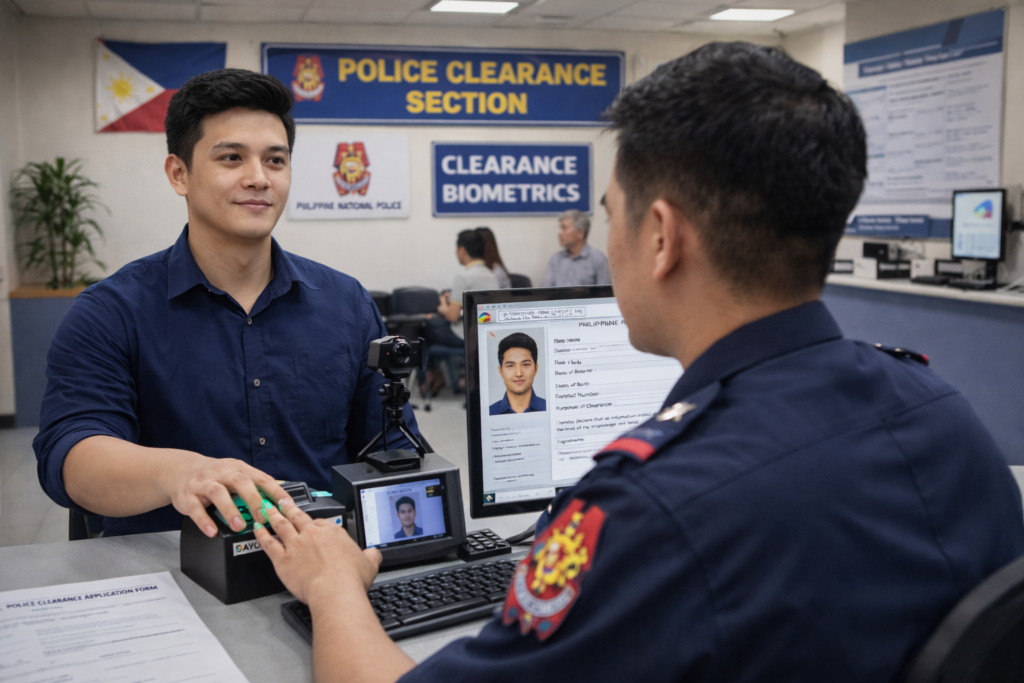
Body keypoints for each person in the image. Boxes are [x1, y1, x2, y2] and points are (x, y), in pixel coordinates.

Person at [253, 42, 1024, 683]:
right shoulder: (942, 412)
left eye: (609, 216)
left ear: (661, 236)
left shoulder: (648, 512)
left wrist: (333, 585)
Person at [32, 68, 421, 538]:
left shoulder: (347, 305)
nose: (258, 178)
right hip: (173, 566)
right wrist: (179, 473)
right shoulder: (111, 312)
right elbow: (71, 457)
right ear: (179, 174)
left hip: (320, 561)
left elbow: (391, 445)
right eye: (232, 158)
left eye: (275, 160)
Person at [424, 229, 500, 392]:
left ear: (462, 250)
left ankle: (432, 376)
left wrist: (442, 306)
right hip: (487, 334)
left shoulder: (464, 277)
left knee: (428, 325)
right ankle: (436, 376)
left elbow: (452, 316)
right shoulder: (491, 276)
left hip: (465, 336)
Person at [540, 209, 610, 287]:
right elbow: (545, 289)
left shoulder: (598, 259)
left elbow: (605, 291)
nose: (559, 233)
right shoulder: (556, 259)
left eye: (564, 228)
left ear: (580, 233)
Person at [489, 332, 546, 415]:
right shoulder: (489, 413)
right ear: (500, 371)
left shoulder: (551, 408)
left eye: (525, 364)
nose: (519, 373)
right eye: (510, 365)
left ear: (536, 369)